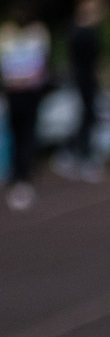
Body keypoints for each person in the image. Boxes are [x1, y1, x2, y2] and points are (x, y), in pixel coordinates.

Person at [1, 12, 47, 210]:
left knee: (22, 135)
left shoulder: (15, 43)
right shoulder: (29, 42)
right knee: (22, 135)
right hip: (24, 95)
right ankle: (21, 173)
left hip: (20, 95)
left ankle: (21, 173)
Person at [63, 0, 106, 182]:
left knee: (88, 116)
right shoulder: (80, 30)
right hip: (81, 78)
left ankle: (76, 153)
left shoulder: (92, 30)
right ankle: (75, 153)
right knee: (85, 116)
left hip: (88, 79)